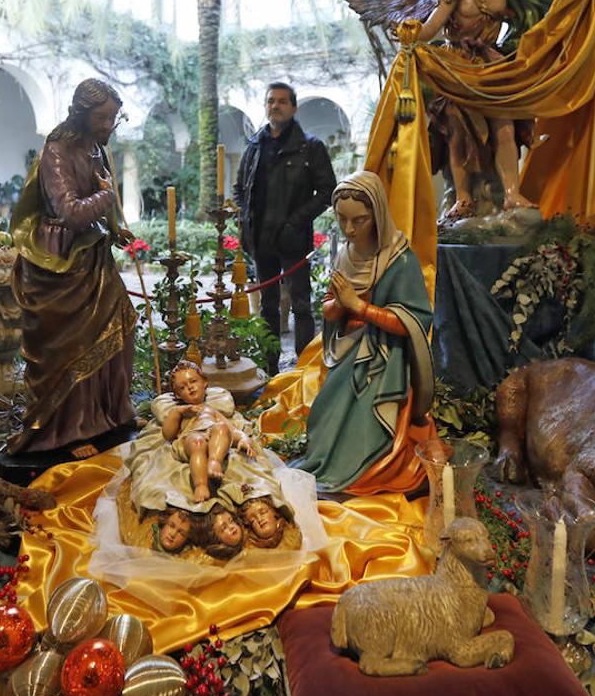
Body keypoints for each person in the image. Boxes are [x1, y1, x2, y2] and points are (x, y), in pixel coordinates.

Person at [413, 0, 595, 219]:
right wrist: (411, 32)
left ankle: (512, 194)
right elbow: (430, 29)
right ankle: (462, 197)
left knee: (505, 129)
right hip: (457, 69)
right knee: (457, 131)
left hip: (492, 68)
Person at [8, 78, 136, 459]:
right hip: (59, 263)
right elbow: (71, 212)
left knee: (122, 327)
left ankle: (110, 415)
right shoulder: (57, 150)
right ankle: (70, 429)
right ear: (81, 114)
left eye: (113, 117)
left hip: (93, 256)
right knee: (72, 349)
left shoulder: (97, 148)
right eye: (101, 117)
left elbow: (99, 205)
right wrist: (107, 196)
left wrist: (116, 226)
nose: (108, 125)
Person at [301, 171, 436, 494]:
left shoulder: (399, 260)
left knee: (360, 419)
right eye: (342, 219)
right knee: (324, 411)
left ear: (377, 215)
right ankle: (330, 462)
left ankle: (361, 467)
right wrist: (338, 306)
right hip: (350, 349)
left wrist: (359, 307)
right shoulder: (346, 253)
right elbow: (330, 305)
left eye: (358, 221)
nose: (349, 229)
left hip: (384, 360)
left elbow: (415, 320)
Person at [233, 82, 336, 375]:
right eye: (270, 101)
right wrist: (243, 217)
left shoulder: (310, 147)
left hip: (293, 240)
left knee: (302, 306)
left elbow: (327, 190)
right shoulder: (254, 146)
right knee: (267, 308)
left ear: (293, 107)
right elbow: (240, 188)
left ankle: (303, 371)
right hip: (260, 241)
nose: (275, 106)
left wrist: (295, 221)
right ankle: (270, 370)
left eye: (281, 101)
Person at [159, 361, 258, 503]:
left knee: (221, 427)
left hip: (214, 436)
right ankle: (201, 485)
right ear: (178, 395)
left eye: (193, 381)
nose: (190, 388)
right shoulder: (182, 413)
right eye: (183, 387)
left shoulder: (211, 410)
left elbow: (232, 430)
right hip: (193, 437)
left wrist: (243, 439)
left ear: (204, 382)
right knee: (197, 442)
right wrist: (178, 411)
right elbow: (167, 435)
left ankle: (214, 462)